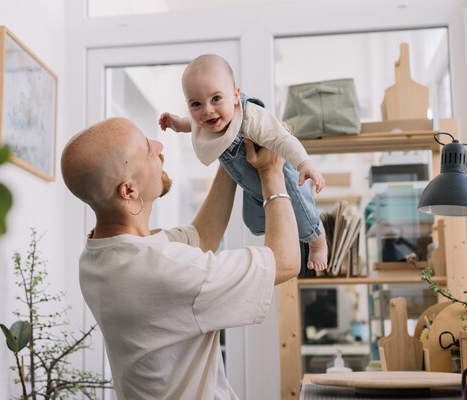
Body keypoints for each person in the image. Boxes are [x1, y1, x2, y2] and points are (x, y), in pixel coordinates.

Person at [61, 117, 300, 400]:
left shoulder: (96, 255)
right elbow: (285, 262)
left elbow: (202, 237)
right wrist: (271, 171)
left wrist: (230, 150)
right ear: (129, 190)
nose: (160, 146)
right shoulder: (162, 269)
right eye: (149, 149)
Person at [159, 54, 328, 271]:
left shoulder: (250, 117)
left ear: (236, 95)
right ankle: (286, 232)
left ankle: (318, 242)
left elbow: (282, 139)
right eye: (196, 104)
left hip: (280, 174)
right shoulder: (202, 118)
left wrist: (305, 164)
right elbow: (191, 123)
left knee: (303, 214)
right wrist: (176, 123)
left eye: (216, 99)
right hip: (250, 181)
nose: (207, 110)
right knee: (254, 222)